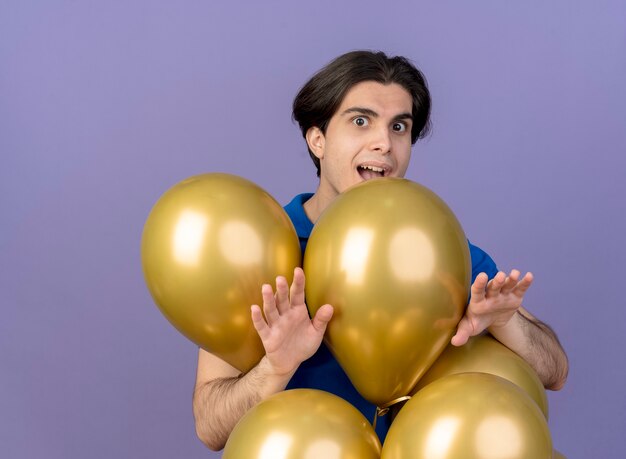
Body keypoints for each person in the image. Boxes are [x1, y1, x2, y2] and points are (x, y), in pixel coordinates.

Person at [192, 50, 569, 450]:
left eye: (399, 127)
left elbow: (555, 372)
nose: (383, 143)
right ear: (317, 139)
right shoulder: (261, 253)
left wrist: (506, 321)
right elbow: (209, 428)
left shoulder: (439, 252)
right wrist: (275, 368)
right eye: (360, 121)